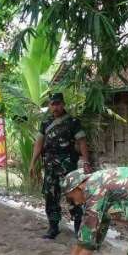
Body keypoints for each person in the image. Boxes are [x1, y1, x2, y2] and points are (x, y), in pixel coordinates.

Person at [29, 92, 91, 240]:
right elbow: (39, 144)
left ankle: (78, 228)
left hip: (68, 166)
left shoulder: (73, 122)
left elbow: (81, 141)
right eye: (53, 104)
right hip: (50, 167)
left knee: (74, 197)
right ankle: (53, 227)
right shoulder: (45, 123)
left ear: (63, 104)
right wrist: (33, 163)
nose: (55, 107)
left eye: (58, 104)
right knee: (50, 196)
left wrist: (86, 161)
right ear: (49, 106)